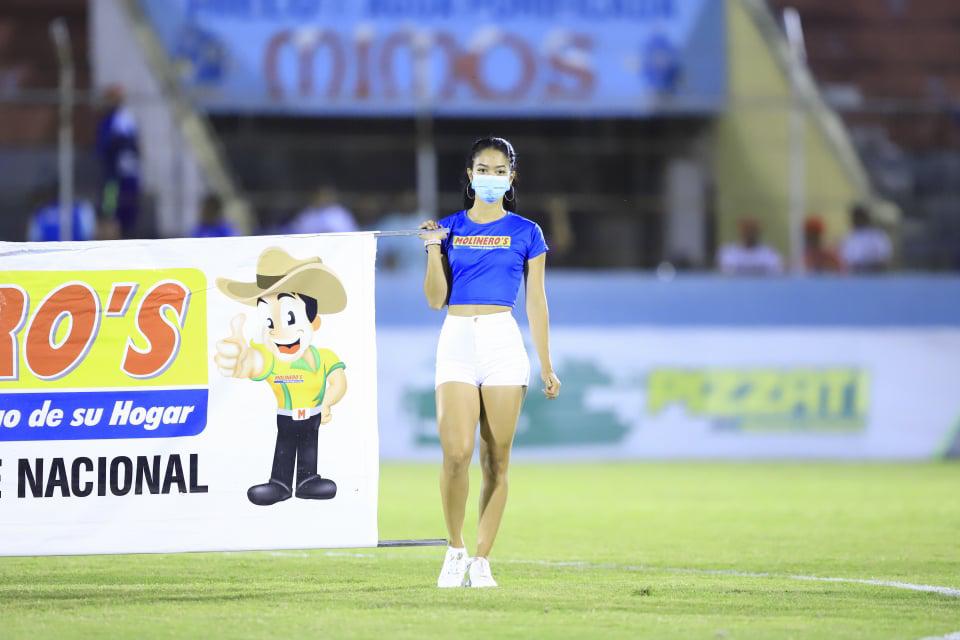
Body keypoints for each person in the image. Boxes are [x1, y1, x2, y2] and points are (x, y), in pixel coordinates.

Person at [418, 136, 561, 589]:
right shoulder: (448, 228)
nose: (491, 177)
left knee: (496, 459)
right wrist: (431, 249)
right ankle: (455, 549)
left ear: (512, 177)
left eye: (500, 171)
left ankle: (482, 559)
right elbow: (435, 299)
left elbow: (536, 302)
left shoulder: (528, 232)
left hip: (503, 342)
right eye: (484, 168)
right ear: (469, 174)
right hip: (457, 340)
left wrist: (547, 363)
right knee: (456, 454)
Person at [96, 85, 140, 238]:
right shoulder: (107, 121)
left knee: (128, 210)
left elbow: (135, 146)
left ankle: (126, 237)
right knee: (110, 209)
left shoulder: (126, 119)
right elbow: (102, 148)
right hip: (113, 175)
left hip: (128, 174)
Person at [26, 186, 97, 242]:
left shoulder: (42, 211)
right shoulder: (82, 208)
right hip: (72, 253)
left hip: (53, 254)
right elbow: (88, 233)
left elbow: (34, 237)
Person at [717, 218, 784, 275]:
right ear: (741, 232)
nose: (749, 234)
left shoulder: (769, 253)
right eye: (746, 230)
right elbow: (725, 275)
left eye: (752, 231)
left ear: (757, 232)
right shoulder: (728, 252)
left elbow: (777, 273)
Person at [840, 204, 892, 273]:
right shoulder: (849, 237)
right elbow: (846, 259)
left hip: (876, 274)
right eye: (857, 217)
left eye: (861, 216)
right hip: (856, 275)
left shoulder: (878, 235)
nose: (859, 219)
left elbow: (884, 256)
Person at [286, 185, 358, 235]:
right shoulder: (307, 214)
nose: (323, 198)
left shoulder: (340, 213)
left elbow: (351, 232)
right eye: (321, 195)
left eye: (326, 195)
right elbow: (296, 232)